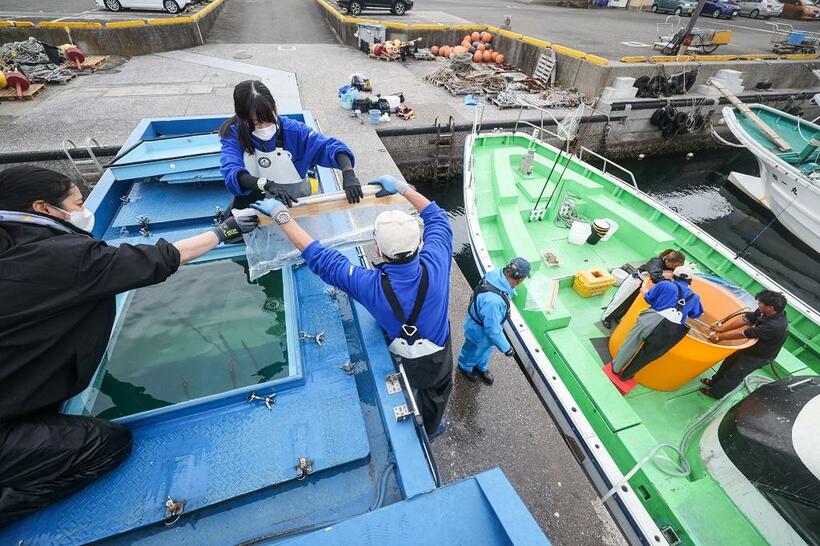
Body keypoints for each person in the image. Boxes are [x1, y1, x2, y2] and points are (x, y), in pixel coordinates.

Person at [0, 166, 260, 526]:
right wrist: (222, 232)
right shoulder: (60, 258)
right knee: (107, 444)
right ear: (43, 208)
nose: (83, 209)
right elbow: (154, 261)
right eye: (77, 203)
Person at [251, 175, 454, 440]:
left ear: (379, 252)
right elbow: (437, 217)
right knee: (437, 392)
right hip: (439, 352)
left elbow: (320, 257)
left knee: (410, 382)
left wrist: (281, 216)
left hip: (403, 352)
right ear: (419, 243)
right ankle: (432, 427)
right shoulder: (438, 261)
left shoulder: (368, 286)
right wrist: (403, 188)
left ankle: (424, 425)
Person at [219, 80, 363, 210]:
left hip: (295, 205)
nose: (265, 127)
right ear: (243, 118)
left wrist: (348, 172)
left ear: (274, 108)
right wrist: (266, 185)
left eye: (269, 118)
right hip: (254, 206)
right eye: (257, 122)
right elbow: (231, 171)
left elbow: (330, 147)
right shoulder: (233, 135)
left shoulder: (295, 132)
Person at [612, 265, 704, 379]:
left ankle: (616, 367)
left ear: (673, 276)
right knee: (647, 355)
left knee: (631, 343)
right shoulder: (695, 297)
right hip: (671, 330)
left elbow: (649, 298)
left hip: (651, 320)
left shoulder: (665, 284)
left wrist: (644, 291)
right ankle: (627, 375)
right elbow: (696, 314)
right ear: (690, 280)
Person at [701, 290, 789, 399]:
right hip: (749, 347)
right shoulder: (764, 311)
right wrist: (721, 329)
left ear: (770, 307)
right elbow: (745, 320)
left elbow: (744, 334)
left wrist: (719, 337)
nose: (758, 304)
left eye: (760, 303)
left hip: (758, 355)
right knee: (728, 363)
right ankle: (714, 382)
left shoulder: (775, 326)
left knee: (734, 374)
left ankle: (715, 393)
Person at [458, 258, 530, 386]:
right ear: (520, 279)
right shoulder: (494, 302)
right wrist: (506, 348)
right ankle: (465, 367)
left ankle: (481, 367)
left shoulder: (496, 274)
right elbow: (492, 330)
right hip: (478, 331)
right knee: (473, 350)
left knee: (486, 349)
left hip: (483, 326)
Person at [602, 249, 686, 328]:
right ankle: (606, 318)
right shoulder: (655, 261)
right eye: (674, 266)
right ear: (668, 260)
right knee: (621, 299)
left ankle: (618, 316)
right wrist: (670, 285)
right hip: (635, 281)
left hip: (644, 285)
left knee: (630, 303)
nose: (675, 268)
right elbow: (656, 276)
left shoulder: (670, 266)